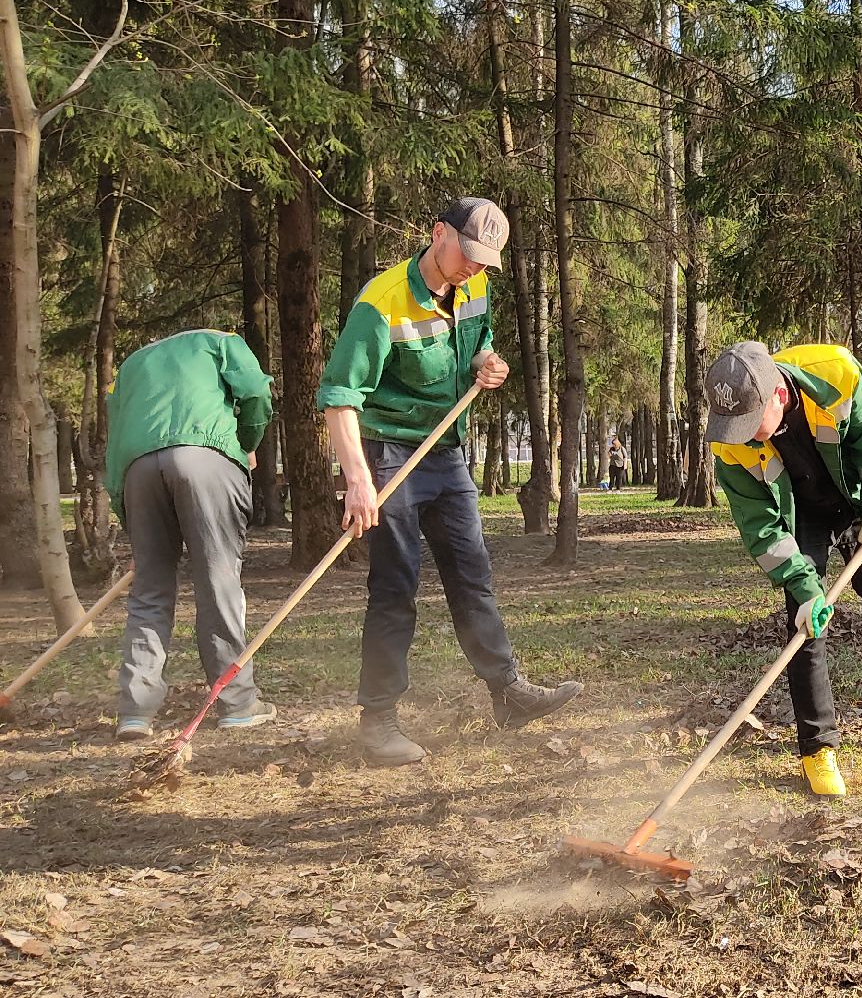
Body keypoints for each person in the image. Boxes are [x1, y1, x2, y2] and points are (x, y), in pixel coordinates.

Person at [318, 197, 583, 767]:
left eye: (486, 261)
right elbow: (339, 398)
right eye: (468, 253)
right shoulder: (381, 301)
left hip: (446, 451)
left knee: (473, 576)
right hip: (388, 452)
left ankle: (509, 693)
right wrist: (359, 481)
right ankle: (379, 723)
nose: (474, 268)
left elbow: (478, 345)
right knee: (395, 587)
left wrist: (489, 364)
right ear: (438, 233)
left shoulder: (475, 287)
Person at [704, 341, 862, 796]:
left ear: (778, 396)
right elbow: (761, 527)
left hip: (851, 497)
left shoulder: (836, 375)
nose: (742, 435)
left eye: (751, 423)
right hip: (798, 515)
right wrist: (803, 586)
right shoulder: (730, 446)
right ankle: (817, 745)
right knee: (805, 625)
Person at [104, 329, 279, 742]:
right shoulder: (220, 341)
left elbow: (116, 441)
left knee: (149, 589)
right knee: (217, 580)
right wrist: (245, 443)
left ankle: (135, 712)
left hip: (137, 470)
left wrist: (129, 520)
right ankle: (236, 703)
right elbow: (255, 393)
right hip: (205, 457)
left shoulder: (130, 366)